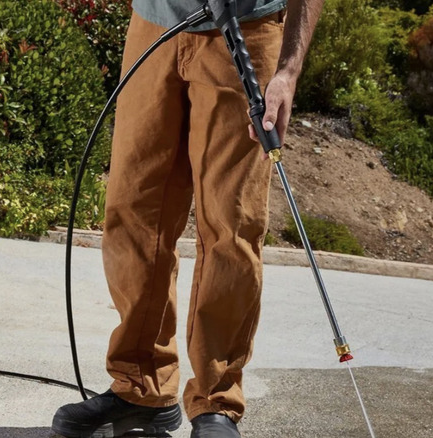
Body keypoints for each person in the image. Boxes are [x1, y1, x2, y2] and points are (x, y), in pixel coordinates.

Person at [52, 0, 326, 437]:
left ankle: (217, 401)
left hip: (245, 31)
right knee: (134, 211)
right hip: (153, 27)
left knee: (230, 225)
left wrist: (288, 72)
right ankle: (141, 387)